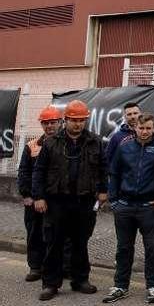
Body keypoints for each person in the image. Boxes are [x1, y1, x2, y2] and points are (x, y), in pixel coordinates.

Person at [32, 100, 107, 301]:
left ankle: (80, 280)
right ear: (66, 120)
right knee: (54, 244)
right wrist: (38, 196)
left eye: (81, 120)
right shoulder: (50, 142)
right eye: (74, 120)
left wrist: (103, 191)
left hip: (84, 201)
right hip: (57, 201)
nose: (77, 124)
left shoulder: (96, 142)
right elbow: (39, 171)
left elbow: (103, 169)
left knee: (80, 243)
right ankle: (50, 284)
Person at [103, 113, 154, 304]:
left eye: (148, 128)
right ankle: (121, 286)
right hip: (124, 206)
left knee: (152, 248)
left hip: (149, 208)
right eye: (141, 128)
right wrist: (114, 200)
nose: (145, 132)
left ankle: (153, 287)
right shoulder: (124, 147)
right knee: (123, 248)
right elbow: (114, 173)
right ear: (135, 128)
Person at [17, 106, 62, 283]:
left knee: (58, 236)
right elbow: (24, 172)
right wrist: (26, 195)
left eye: (53, 122)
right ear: (42, 125)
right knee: (35, 234)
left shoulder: (65, 144)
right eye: (46, 123)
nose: (50, 126)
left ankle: (58, 268)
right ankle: (35, 267)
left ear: (60, 123)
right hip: (35, 200)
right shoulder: (32, 145)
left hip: (57, 200)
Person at [104, 102, 140, 169]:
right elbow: (108, 159)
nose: (133, 117)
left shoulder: (147, 134)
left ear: (140, 114)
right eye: (129, 114)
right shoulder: (117, 137)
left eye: (135, 113)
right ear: (125, 116)